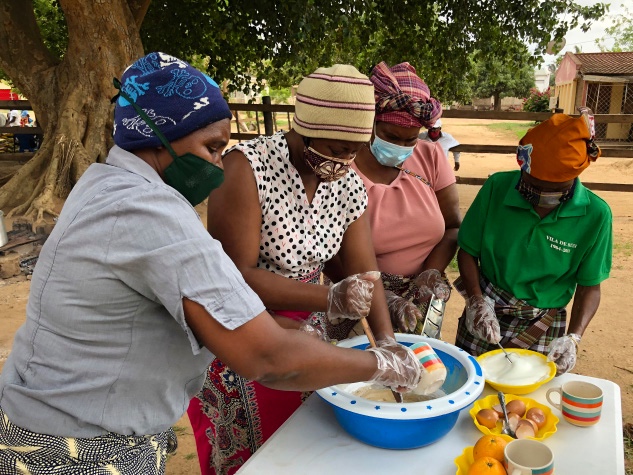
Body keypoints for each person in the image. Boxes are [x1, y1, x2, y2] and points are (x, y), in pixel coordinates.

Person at [0, 52, 423, 475]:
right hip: (77, 446)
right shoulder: (150, 212)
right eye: (213, 147)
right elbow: (268, 359)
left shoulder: (103, 182)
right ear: (161, 135)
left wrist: (352, 332)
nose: (219, 164)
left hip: (49, 419)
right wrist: (381, 364)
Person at [187, 64, 423, 475]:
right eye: (334, 149)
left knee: (303, 447)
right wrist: (329, 297)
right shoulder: (247, 169)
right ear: (304, 127)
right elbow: (236, 277)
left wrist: (386, 342)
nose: (344, 161)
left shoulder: (347, 185)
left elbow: (366, 275)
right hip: (245, 327)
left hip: (307, 332)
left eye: (354, 150)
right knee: (251, 455)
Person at [454, 110, 612, 375]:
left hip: (544, 324)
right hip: (487, 309)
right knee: (471, 386)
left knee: (530, 400)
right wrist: (476, 302)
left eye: (552, 190)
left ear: (573, 177)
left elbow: (589, 287)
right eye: (531, 185)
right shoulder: (497, 188)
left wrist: (574, 337)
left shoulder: (595, 215)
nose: (539, 196)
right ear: (523, 168)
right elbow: (467, 252)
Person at [343, 61, 460, 337]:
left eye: (410, 140)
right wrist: (383, 298)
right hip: (358, 296)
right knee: (370, 370)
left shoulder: (430, 157)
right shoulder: (343, 168)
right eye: (391, 136)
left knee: (421, 368)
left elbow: (453, 226)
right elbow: (332, 253)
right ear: (371, 121)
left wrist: (427, 277)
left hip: (421, 298)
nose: (401, 147)